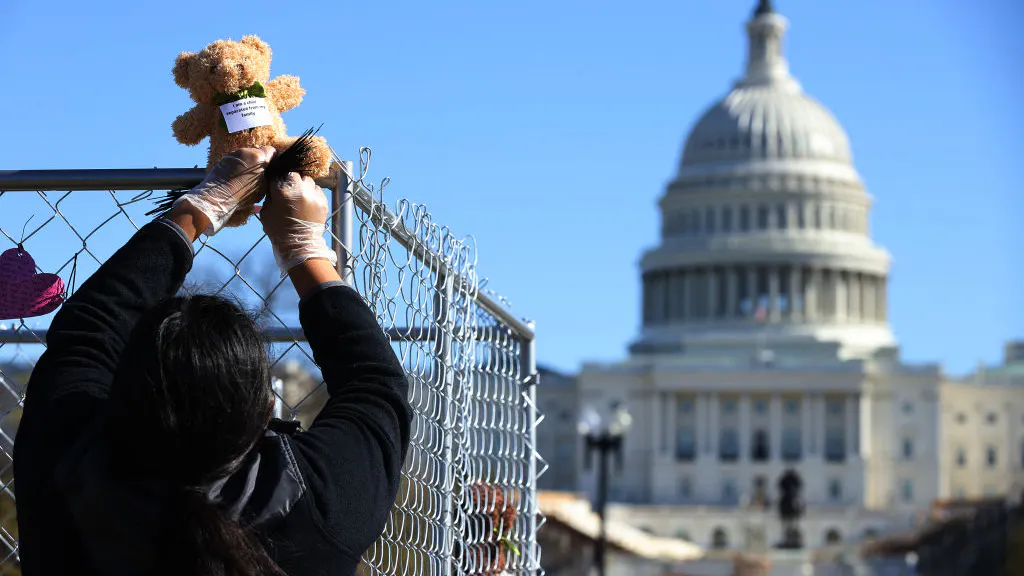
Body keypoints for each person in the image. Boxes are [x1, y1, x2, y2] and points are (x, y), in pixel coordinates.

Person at [13, 148, 413, 576]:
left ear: (124, 391)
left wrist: (201, 206)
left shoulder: (69, 462)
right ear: (263, 411)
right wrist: (303, 247)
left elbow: (89, 334)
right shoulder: (314, 496)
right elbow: (376, 386)